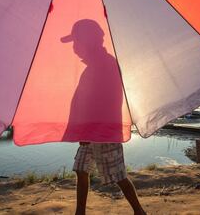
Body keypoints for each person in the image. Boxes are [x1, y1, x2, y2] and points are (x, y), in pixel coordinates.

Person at [60, 19, 146, 215]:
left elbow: (104, 102)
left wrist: (87, 130)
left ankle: (139, 211)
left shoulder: (105, 64)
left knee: (118, 175)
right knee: (81, 170)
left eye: (76, 42)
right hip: (90, 131)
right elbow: (85, 101)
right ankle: (80, 212)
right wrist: (82, 129)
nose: (74, 48)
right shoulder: (93, 66)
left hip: (103, 132)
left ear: (88, 41)